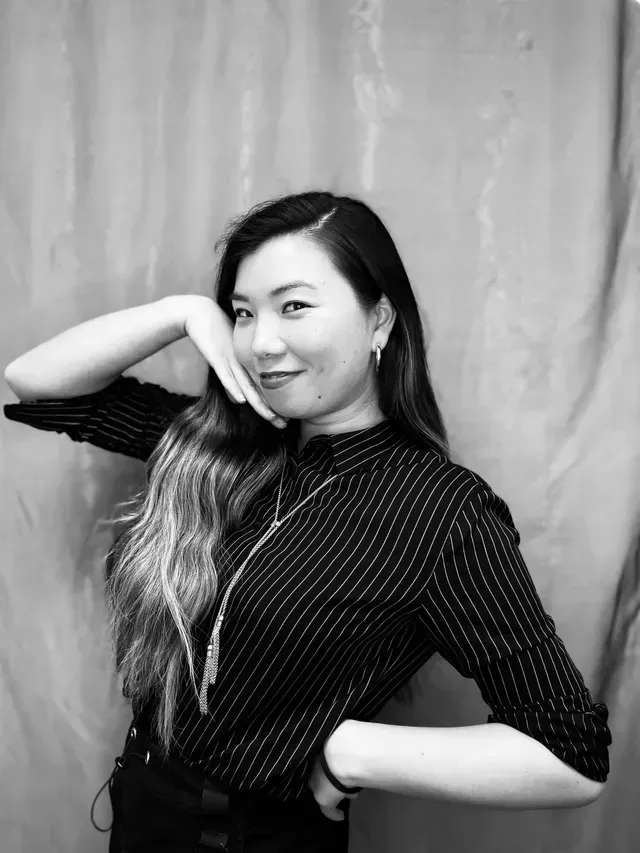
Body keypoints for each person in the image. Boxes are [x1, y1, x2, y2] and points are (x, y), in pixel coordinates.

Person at [3, 191, 611, 853]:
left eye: (294, 305)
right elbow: (33, 380)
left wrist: (357, 750)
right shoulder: (215, 444)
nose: (262, 342)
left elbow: (570, 752)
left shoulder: (440, 512)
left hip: (251, 836)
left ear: (379, 321)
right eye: (243, 313)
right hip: (144, 808)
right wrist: (181, 314)